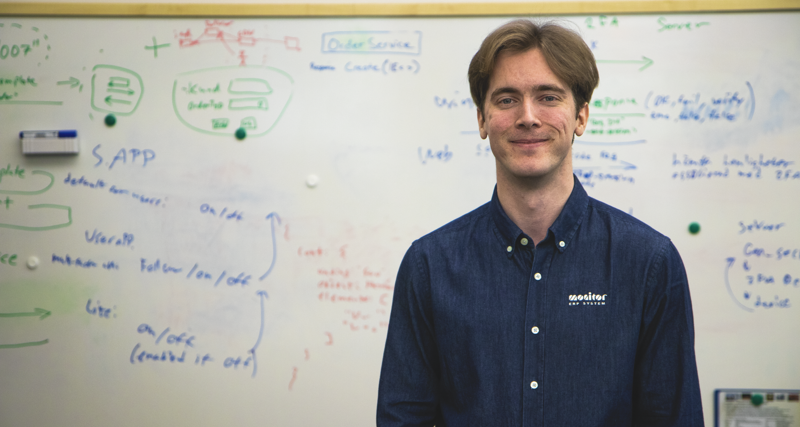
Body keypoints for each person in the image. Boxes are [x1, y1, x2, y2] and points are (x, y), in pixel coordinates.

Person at [377, 19, 703, 426]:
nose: (528, 117)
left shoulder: (649, 262)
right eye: (507, 100)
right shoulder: (429, 265)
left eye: (548, 97)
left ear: (581, 116)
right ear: (482, 119)